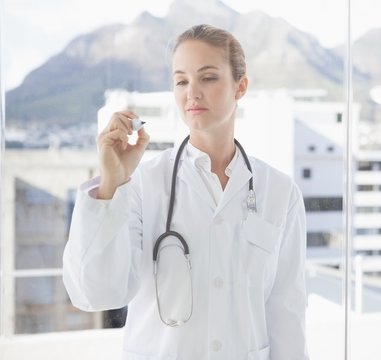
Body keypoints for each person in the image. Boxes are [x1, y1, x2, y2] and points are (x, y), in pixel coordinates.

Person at [62, 24, 308, 360]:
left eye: (207, 77)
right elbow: (96, 293)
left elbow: (287, 315)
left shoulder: (280, 192)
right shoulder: (141, 185)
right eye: (181, 81)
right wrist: (110, 184)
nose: (192, 92)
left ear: (241, 86)